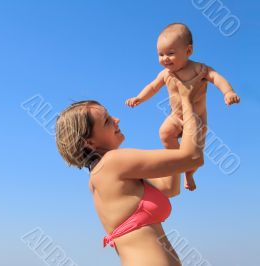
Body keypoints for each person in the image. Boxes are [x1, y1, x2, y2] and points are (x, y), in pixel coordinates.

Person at [55, 77, 205, 265]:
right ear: (90, 142)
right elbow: (193, 157)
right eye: (107, 121)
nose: (117, 120)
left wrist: (170, 141)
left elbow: (169, 188)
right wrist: (188, 103)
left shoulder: (103, 174)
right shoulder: (112, 162)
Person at [125, 23, 240, 191]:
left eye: (170, 53)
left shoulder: (198, 69)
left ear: (188, 51)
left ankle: (189, 173)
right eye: (160, 54)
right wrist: (139, 98)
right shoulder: (166, 74)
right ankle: (177, 162)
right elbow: (152, 86)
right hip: (177, 116)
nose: (164, 58)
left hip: (197, 120)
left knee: (194, 155)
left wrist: (228, 92)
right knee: (164, 132)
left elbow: (216, 78)